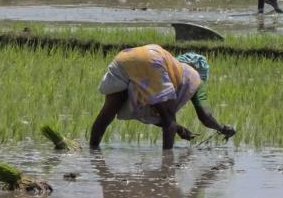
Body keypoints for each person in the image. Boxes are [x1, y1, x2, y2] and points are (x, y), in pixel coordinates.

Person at [88, 45, 234, 150]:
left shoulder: (170, 67)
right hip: (153, 59)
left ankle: (92, 151)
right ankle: (167, 163)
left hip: (125, 57)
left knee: (107, 113)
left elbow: (154, 110)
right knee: (169, 117)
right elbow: (205, 116)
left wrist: (180, 129)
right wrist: (222, 128)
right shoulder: (194, 77)